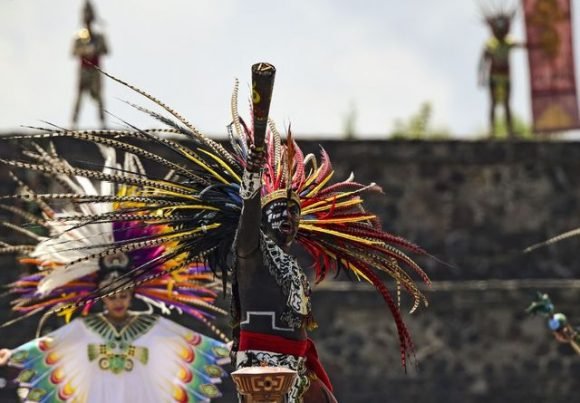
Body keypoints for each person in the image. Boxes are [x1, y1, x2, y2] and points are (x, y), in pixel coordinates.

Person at [0, 63, 433, 402]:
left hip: (292, 365)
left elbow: (185, 342)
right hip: (265, 370)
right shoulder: (252, 250)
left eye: (291, 216)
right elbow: (248, 225)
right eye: (277, 213)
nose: (285, 221)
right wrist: (251, 183)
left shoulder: (284, 264)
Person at [0, 145, 230, 402]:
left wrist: (225, 349)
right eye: (111, 295)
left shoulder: (153, 326)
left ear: (132, 293)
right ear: (100, 297)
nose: (118, 300)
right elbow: (52, 346)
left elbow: (188, 343)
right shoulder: (84, 328)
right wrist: (14, 355)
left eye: (122, 294)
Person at [478, 7, 525, 139]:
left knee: (507, 105)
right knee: (493, 104)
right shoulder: (490, 44)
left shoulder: (509, 42)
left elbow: (524, 45)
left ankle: (510, 131)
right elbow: (483, 60)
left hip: (506, 77)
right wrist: (481, 76)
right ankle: (492, 131)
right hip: (494, 77)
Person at [71, 0, 109, 129]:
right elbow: (73, 52)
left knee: (99, 96)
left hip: (95, 69)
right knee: (79, 95)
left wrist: (95, 50)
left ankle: (103, 123)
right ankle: (74, 123)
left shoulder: (99, 36)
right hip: (83, 70)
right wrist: (84, 51)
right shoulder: (79, 37)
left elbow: (106, 50)